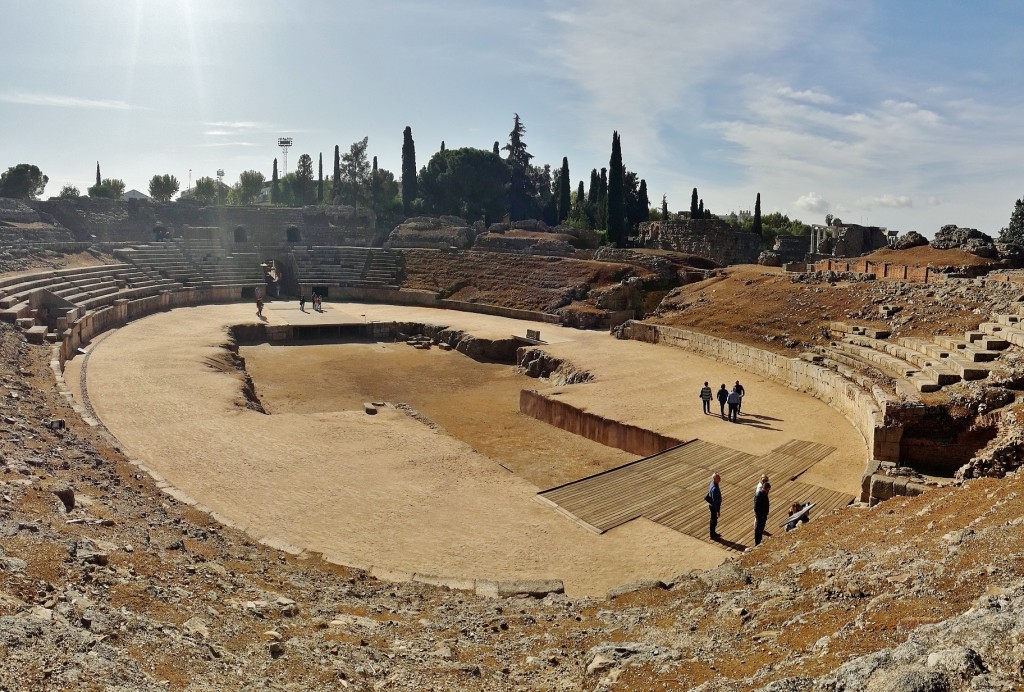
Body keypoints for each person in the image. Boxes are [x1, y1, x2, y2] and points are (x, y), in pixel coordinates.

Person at [753, 481, 770, 546]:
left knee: (761, 529)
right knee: (758, 530)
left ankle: (759, 541)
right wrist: (760, 516)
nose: (768, 491)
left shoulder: (765, 494)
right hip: (760, 516)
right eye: (767, 490)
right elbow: (756, 508)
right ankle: (757, 543)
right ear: (764, 488)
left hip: (764, 515)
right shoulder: (758, 495)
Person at [706, 473, 722, 540]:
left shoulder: (712, 483)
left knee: (713, 520)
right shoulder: (714, 489)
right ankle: (712, 535)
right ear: (715, 479)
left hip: (712, 505)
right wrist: (718, 511)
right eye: (718, 478)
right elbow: (715, 502)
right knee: (713, 521)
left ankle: (713, 533)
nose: (720, 479)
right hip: (713, 507)